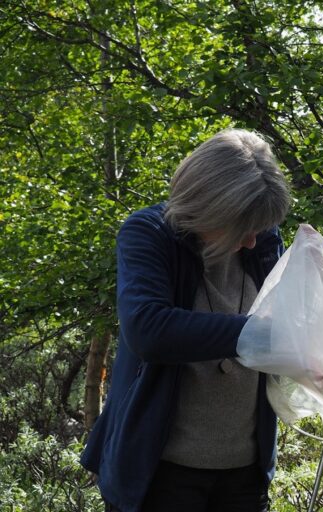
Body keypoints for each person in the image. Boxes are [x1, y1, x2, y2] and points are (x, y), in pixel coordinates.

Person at [80, 129, 292, 512]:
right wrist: (265, 333)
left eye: (258, 229)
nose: (251, 241)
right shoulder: (149, 233)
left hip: (244, 473)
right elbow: (149, 330)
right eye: (241, 228)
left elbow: (288, 319)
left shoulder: (260, 237)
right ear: (206, 207)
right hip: (159, 474)